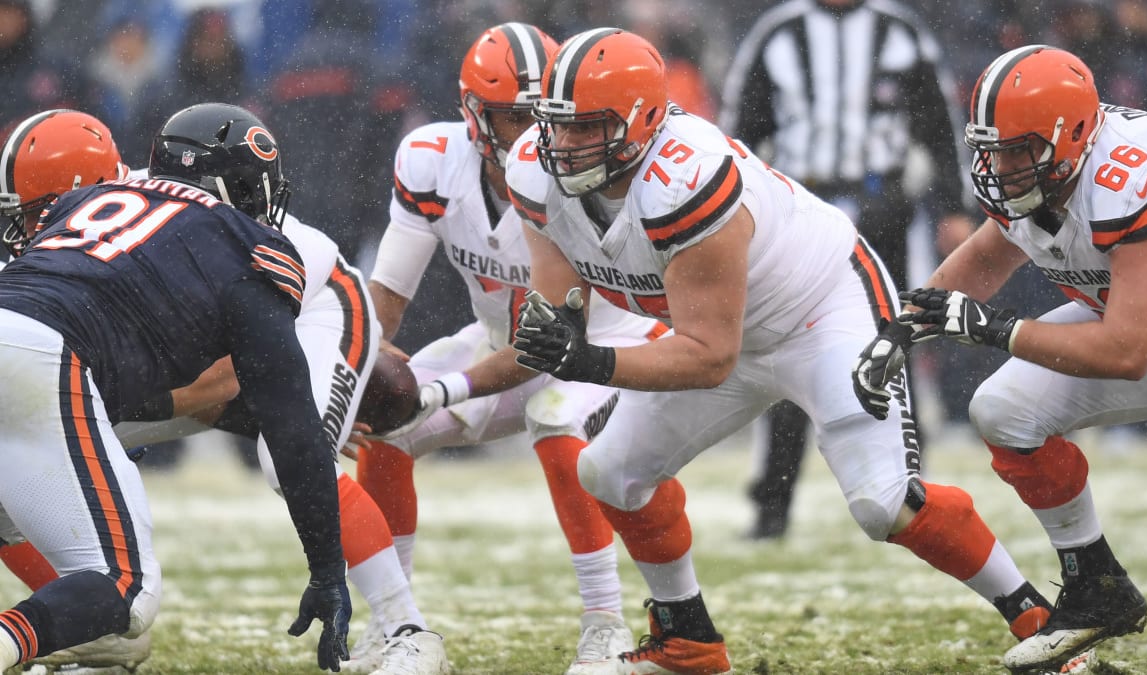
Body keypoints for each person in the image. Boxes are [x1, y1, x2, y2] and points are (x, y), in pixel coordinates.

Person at [507, 27, 1053, 675]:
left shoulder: (683, 178)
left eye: (586, 128)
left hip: (820, 307)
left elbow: (709, 354)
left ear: (641, 121)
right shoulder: (534, 172)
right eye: (556, 126)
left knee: (884, 503)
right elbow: (562, 294)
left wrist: (591, 362)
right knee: (610, 470)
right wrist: (559, 333)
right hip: (723, 328)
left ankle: (1040, 620)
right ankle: (687, 638)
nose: (562, 147)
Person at [0, 104, 448, 675]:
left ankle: (403, 627)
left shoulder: (235, 240)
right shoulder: (119, 215)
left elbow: (227, 381)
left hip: (316, 307)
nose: (29, 227)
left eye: (39, 210)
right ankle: (95, 628)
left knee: (281, 459)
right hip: (81, 352)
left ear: (85, 187)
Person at [855, 44, 1147, 671]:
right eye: (992, 150)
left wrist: (996, 329)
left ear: (1076, 137)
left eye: (1017, 150)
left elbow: (1128, 350)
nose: (1001, 167)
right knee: (1004, 409)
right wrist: (900, 329)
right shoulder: (1049, 159)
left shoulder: (1135, 177)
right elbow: (985, 256)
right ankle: (1096, 587)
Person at [361, 22, 667, 675]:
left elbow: (551, 339)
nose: (535, 132)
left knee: (555, 415)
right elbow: (387, 296)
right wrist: (356, 377)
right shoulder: (431, 159)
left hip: (603, 343)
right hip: (506, 340)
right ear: (473, 115)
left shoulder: (579, 168)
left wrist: (440, 387)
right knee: (386, 425)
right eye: (515, 116)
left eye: (544, 114)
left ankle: (606, 624)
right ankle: (398, 629)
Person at [718, 0, 977, 539]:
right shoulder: (779, 33)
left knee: (891, 343)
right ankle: (773, 503)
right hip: (798, 212)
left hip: (881, 209)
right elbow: (736, 136)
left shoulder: (899, 32)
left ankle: (909, 492)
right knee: (787, 347)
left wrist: (953, 207)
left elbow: (939, 123)